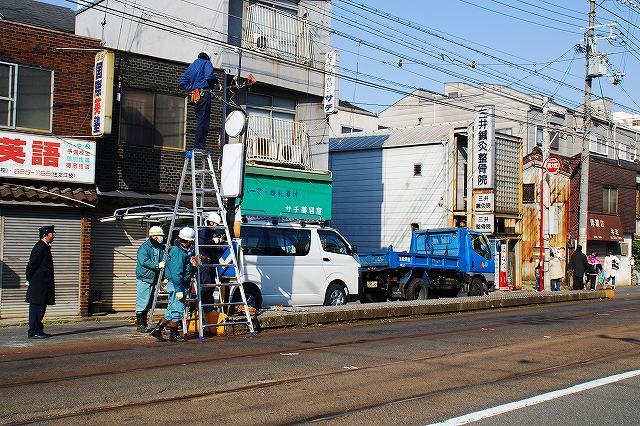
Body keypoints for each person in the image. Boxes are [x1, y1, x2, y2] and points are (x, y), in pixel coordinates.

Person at [150, 226, 196, 342]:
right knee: (177, 310)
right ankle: (173, 334)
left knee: (172, 310)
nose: (191, 244)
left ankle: (157, 330)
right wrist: (179, 289)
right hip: (177, 285)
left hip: (176, 284)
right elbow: (176, 273)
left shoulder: (179, 251)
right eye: (191, 242)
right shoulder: (178, 252)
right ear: (188, 241)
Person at [179, 51, 219, 151]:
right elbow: (209, 76)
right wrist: (216, 82)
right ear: (208, 57)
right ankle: (199, 146)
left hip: (196, 95)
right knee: (204, 120)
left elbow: (182, 81)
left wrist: (192, 87)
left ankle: (198, 145)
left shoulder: (192, 65)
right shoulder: (207, 63)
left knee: (199, 119)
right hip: (204, 94)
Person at [24, 225, 56, 339]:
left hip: (43, 284)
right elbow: (31, 265)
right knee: (36, 308)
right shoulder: (40, 247)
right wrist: (29, 279)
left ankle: (38, 330)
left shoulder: (45, 247)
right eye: (52, 234)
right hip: (38, 284)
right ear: (45, 235)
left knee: (41, 308)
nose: (53, 236)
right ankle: (33, 332)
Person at [135, 226, 165, 332]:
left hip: (154, 278)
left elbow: (165, 258)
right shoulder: (144, 248)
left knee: (149, 301)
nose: (161, 237)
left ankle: (144, 322)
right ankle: (140, 324)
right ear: (154, 236)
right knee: (142, 300)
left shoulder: (161, 247)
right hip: (144, 278)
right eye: (160, 236)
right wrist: (157, 265)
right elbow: (144, 261)